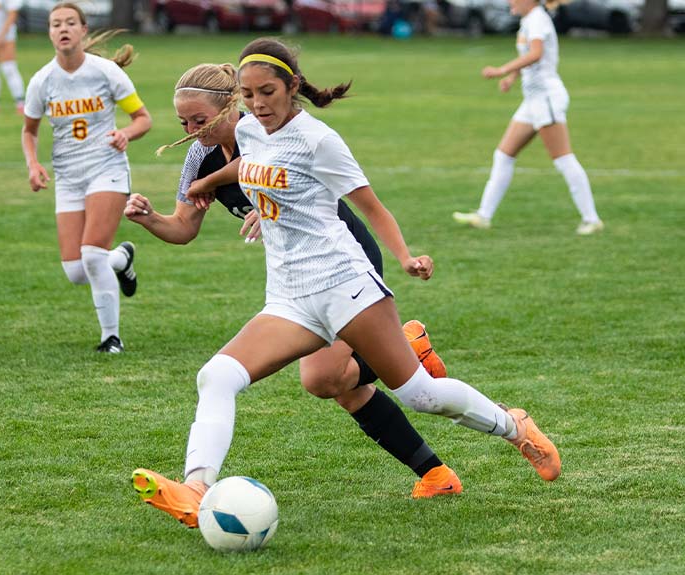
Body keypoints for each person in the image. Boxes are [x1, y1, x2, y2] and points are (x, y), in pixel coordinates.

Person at [131, 39, 561, 528]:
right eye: (249, 95)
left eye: (267, 92)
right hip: (289, 296)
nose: (258, 104)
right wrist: (208, 184)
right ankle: (195, 488)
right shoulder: (249, 128)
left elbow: (372, 206)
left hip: (344, 283)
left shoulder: (320, 140)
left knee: (422, 395)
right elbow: (248, 159)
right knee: (217, 376)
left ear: (292, 86)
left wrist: (406, 257)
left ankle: (514, 425)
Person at [126, 63, 460, 499]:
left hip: (341, 259)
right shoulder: (198, 155)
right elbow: (184, 227)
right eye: (183, 122)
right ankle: (436, 474)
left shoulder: (266, 131)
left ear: (232, 105)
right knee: (327, 382)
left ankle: (404, 359)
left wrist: (270, 207)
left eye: (200, 121)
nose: (191, 131)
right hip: (298, 280)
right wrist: (150, 218)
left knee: (329, 379)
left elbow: (287, 173)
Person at [21, 3, 152, 353]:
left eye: (69, 23)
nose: (62, 29)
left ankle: (112, 337)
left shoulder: (106, 72)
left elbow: (143, 118)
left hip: (106, 169)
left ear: (83, 30)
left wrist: (126, 133)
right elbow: (29, 131)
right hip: (68, 177)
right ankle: (121, 260)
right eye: (55, 24)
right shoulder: (42, 81)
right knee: (75, 271)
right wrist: (33, 164)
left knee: (92, 255)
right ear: (50, 33)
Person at [453, 0, 603, 235]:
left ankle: (592, 219)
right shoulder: (529, 20)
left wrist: (502, 70)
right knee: (503, 155)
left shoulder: (537, 20)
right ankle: (483, 216)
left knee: (563, 159)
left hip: (546, 99)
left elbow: (536, 54)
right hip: (533, 101)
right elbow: (529, 58)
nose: (509, 2)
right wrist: (512, 77)